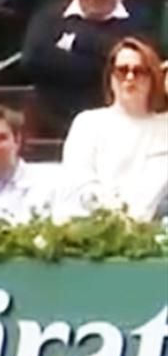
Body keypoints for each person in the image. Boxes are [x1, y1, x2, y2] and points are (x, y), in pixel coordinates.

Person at [21, 0, 153, 134]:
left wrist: (77, 41)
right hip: (55, 125)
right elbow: (32, 62)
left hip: (120, 128)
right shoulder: (48, 17)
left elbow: (141, 66)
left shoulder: (139, 21)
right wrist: (107, 57)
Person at [59, 37, 168, 221]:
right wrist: (117, 217)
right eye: (122, 71)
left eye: (139, 71)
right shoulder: (88, 123)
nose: (130, 78)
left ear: (153, 78)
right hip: (96, 224)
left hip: (152, 227)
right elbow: (80, 183)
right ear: (111, 77)